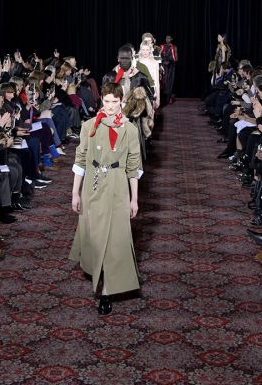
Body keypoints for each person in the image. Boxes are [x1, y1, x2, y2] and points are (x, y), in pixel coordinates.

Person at [69, 82, 142, 314]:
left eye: (115, 101)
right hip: (93, 183)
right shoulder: (89, 125)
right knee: (94, 234)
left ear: (122, 101)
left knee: (115, 238)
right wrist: (74, 193)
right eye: (107, 101)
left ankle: (107, 292)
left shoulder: (130, 130)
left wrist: (134, 199)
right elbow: (80, 159)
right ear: (102, 100)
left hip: (118, 184)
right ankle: (97, 273)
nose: (110, 106)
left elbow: (134, 166)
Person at [159, 35, 178, 105]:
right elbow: (159, 56)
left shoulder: (174, 47)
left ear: (171, 39)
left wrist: (169, 61)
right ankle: (162, 98)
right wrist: (163, 61)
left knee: (170, 82)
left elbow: (176, 58)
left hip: (170, 67)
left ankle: (169, 98)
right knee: (163, 81)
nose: (167, 39)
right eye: (166, 38)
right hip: (163, 66)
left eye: (169, 38)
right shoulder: (162, 46)